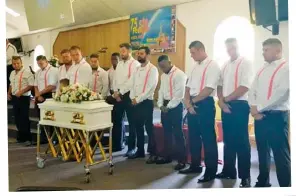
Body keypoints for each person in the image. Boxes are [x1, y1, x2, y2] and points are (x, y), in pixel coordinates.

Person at [249, 38, 290, 187]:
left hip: (277, 117)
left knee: (281, 155)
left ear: (277, 51)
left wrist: (258, 108)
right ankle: (263, 181)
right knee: (262, 151)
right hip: (259, 117)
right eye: (263, 50)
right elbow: (252, 90)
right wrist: (253, 109)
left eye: (266, 50)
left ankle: (286, 186)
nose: (263, 53)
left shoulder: (287, 68)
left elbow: (281, 94)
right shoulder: (262, 69)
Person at [216, 38, 253, 188]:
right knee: (228, 141)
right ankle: (229, 170)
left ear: (238, 46)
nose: (230, 50)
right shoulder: (224, 65)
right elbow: (219, 85)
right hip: (225, 104)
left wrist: (226, 99)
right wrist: (221, 101)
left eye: (233, 47)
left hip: (240, 105)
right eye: (228, 48)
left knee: (242, 142)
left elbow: (245, 86)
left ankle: (245, 177)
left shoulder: (246, 63)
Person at [182, 41, 220, 183]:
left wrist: (192, 102)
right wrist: (188, 103)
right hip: (192, 103)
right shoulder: (194, 67)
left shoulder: (213, 65)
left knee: (208, 139)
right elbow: (187, 86)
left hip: (204, 103)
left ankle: (211, 171)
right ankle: (195, 165)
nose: (191, 56)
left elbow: (209, 89)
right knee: (194, 137)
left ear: (200, 50)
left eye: (192, 52)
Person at [155, 55, 187, 171]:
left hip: (176, 106)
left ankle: (182, 160)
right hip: (165, 106)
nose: (162, 69)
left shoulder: (180, 74)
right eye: (160, 67)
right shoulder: (163, 76)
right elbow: (161, 91)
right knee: (166, 132)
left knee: (178, 133)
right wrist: (160, 105)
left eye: (164, 66)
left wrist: (168, 107)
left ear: (169, 62)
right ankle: (167, 156)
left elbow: (179, 94)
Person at [129, 46, 158, 159]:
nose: (139, 55)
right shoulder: (136, 68)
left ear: (147, 55)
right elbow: (132, 84)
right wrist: (132, 97)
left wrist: (138, 99)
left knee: (148, 127)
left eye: (141, 53)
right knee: (138, 127)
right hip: (135, 102)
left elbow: (150, 88)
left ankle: (153, 152)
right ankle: (140, 151)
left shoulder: (153, 69)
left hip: (146, 102)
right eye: (138, 53)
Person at [112, 43, 140, 157]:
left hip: (129, 95)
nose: (121, 53)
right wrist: (115, 92)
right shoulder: (119, 64)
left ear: (129, 51)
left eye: (123, 51)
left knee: (132, 122)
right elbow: (115, 79)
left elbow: (131, 81)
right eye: (120, 51)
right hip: (118, 95)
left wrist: (120, 92)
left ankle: (131, 148)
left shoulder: (135, 64)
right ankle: (117, 145)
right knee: (117, 121)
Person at [7, 56, 34, 146]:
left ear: (21, 63)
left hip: (24, 98)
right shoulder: (12, 73)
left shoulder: (27, 72)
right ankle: (21, 138)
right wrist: (8, 93)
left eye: (18, 63)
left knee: (24, 118)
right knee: (17, 118)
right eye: (14, 64)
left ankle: (28, 139)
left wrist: (21, 91)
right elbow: (11, 84)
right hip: (14, 97)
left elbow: (31, 85)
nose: (16, 65)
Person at [34, 55, 59, 143]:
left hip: (50, 95)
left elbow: (52, 86)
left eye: (41, 63)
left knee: (52, 117)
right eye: (38, 64)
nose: (40, 65)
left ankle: (53, 138)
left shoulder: (54, 70)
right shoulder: (37, 72)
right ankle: (44, 138)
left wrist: (39, 94)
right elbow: (35, 85)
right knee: (41, 117)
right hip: (39, 95)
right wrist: (37, 95)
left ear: (46, 61)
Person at [106, 53, 126, 152]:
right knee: (114, 121)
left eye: (116, 59)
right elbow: (109, 85)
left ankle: (119, 144)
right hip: (112, 97)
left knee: (119, 121)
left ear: (119, 60)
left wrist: (119, 95)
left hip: (120, 98)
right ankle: (115, 143)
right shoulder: (109, 71)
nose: (114, 61)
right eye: (112, 59)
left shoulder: (122, 70)